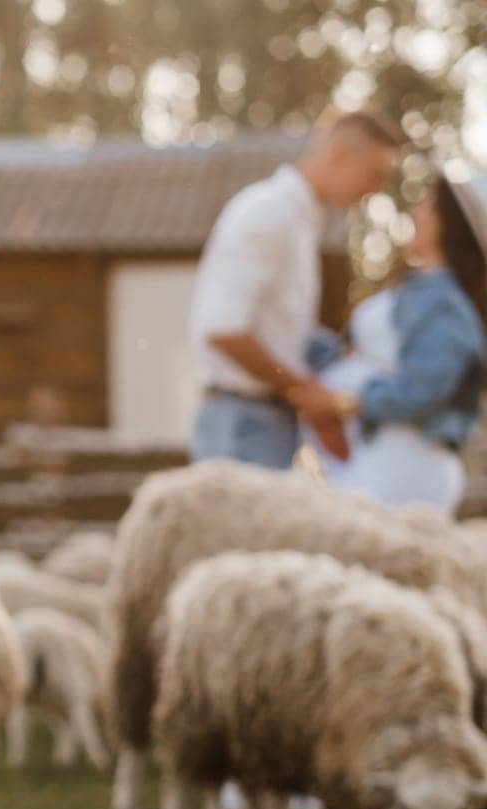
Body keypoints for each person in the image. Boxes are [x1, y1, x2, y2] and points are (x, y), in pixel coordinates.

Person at [188, 108, 402, 467]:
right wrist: (305, 390)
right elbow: (223, 331)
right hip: (243, 423)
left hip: (263, 420)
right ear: (338, 154)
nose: (374, 191)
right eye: (373, 175)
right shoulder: (269, 214)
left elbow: (277, 334)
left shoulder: (301, 223)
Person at [296, 172, 487, 513]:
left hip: (402, 465)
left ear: (448, 225)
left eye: (428, 206)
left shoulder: (445, 306)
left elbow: (422, 390)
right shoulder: (421, 291)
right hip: (379, 458)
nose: (416, 212)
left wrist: (338, 403)